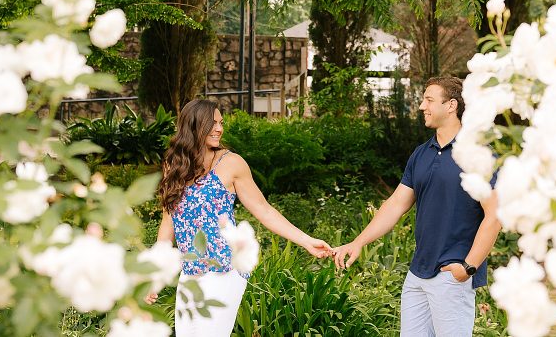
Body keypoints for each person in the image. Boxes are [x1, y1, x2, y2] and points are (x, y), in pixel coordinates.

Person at [147, 98, 332, 336]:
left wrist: (306, 240)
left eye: (221, 122)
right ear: (193, 125)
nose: (219, 129)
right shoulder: (174, 165)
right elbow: (167, 225)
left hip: (224, 270)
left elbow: (264, 210)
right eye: (211, 123)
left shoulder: (231, 163)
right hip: (190, 272)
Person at [333, 76, 501, 337]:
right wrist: (358, 242)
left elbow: (494, 216)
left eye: (429, 100)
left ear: (451, 106)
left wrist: (468, 267)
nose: (422, 106)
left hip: (452, 274)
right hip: (418, 275)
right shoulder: (421, 153)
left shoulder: (477, 155)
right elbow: (395, 204)